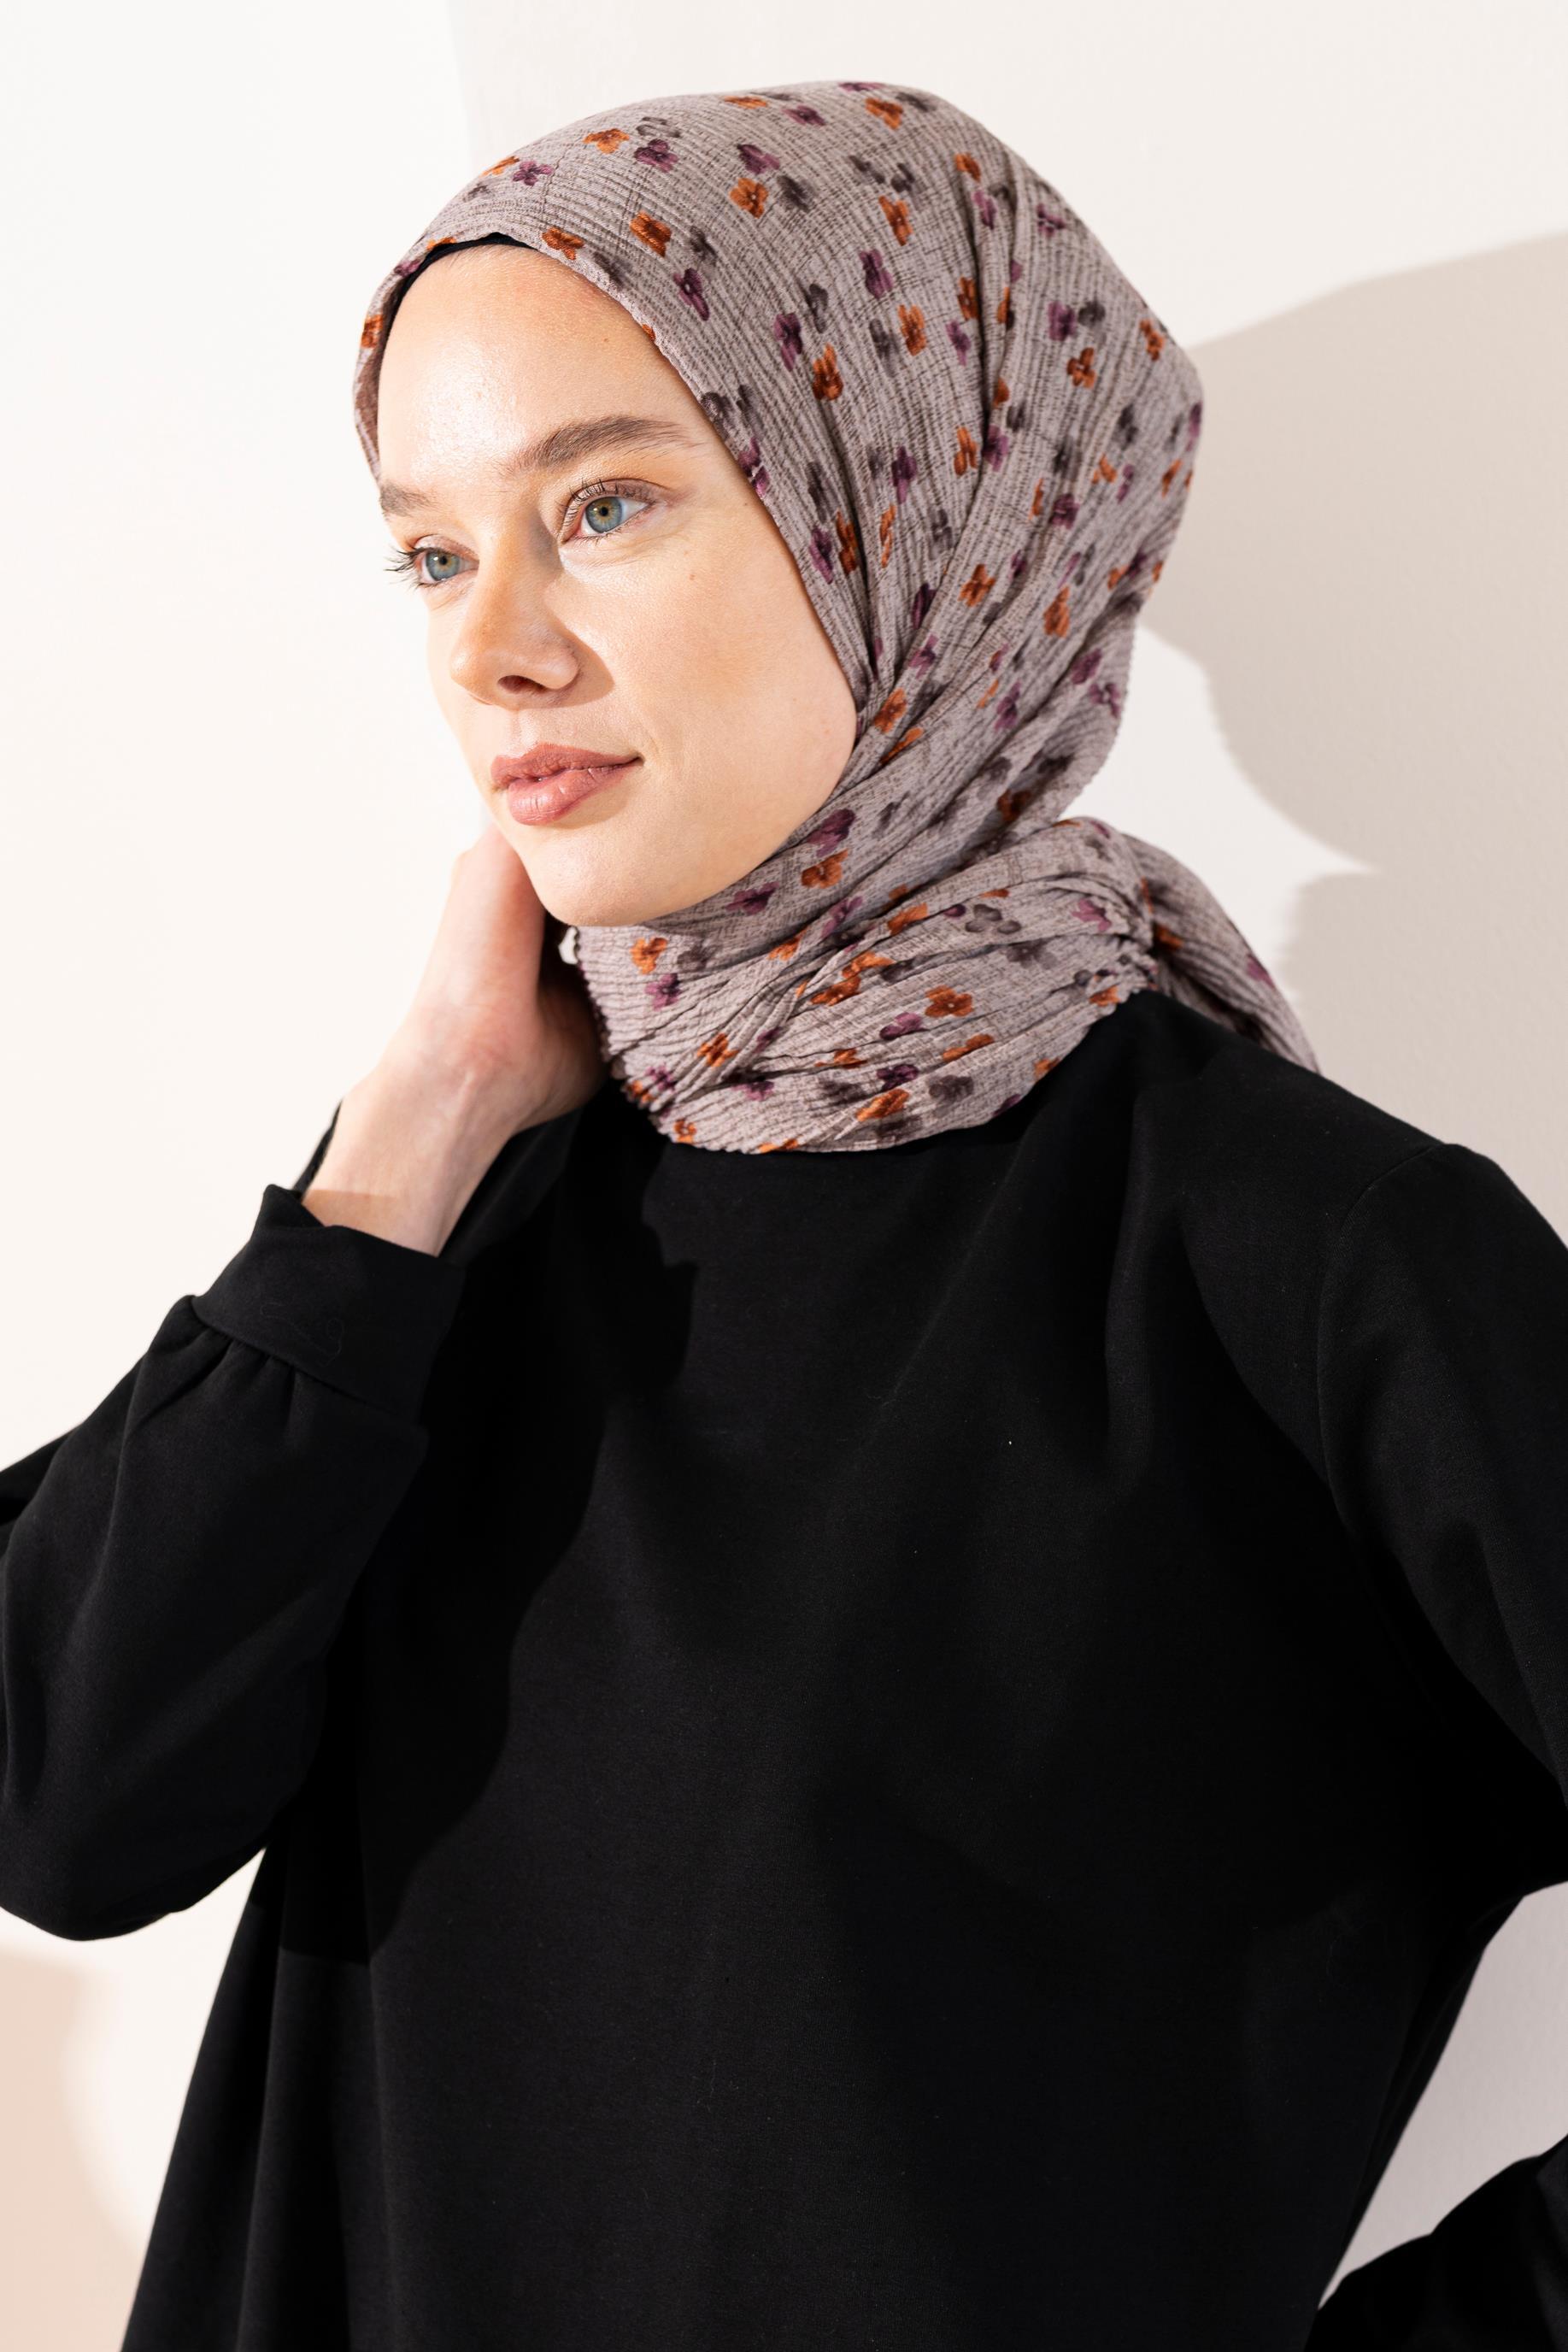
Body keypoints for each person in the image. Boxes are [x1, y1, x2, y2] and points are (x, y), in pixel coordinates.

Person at [2, 74, 1565, 2352]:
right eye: (431, 551)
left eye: (604, 505)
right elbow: (65, 1803)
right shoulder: (453, 1226)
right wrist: (401, 1146)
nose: (490, 646)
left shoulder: (1304, 1264)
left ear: (918, 508)